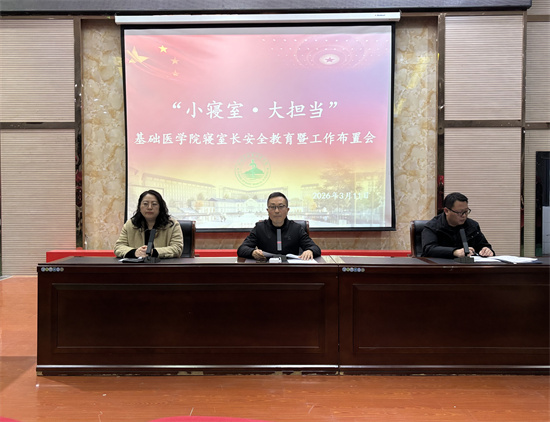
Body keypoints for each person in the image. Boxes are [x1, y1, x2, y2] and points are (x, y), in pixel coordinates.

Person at [237, 192, 321, 261]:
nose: (276, 211)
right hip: (266, 270)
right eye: (272, 207)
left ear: (287, 210)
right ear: (268, 210)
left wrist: (310, 251)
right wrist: (252, 252)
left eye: (281, 206)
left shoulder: (296, 228)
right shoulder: (260, 228)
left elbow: (315, 248)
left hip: (291, 270)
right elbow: (242, 249)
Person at [422, 192, 494, 258]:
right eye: (460, 212)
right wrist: (455, 252)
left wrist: (486, 250)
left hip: (467, 266)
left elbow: (483, 245)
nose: (464, 215)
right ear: (446, 211)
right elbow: (428, 249)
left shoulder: (472, 225)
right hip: (441, 266)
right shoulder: (433, 226)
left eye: (466, 211)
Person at [114, 190, 183, 259]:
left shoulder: (172, 225)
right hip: (137, 265)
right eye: (145, 204)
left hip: (163, 264)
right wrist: (135, 252)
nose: (149, 207)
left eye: (154, 204)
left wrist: (153, 252)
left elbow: (177, 248)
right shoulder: (130, 224)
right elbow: (119, 247)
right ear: (139, 207)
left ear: (160, 207)